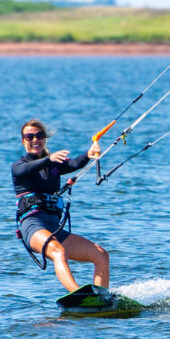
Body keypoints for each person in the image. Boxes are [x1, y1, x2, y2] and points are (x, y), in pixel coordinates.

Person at [11, 118, 108, 293]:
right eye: (29, 136)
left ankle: (102, 298)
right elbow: (25, 170)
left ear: (44, 138)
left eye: (39, 135)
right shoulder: (19, 166)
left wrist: (89, 153)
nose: (35, 140)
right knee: (58, 251)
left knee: (100, 254)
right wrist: (49, 159)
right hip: (33, 226)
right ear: (23, 140)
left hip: (54, 227)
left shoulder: (54, 165)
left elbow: (74, 163)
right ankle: (78, 294)